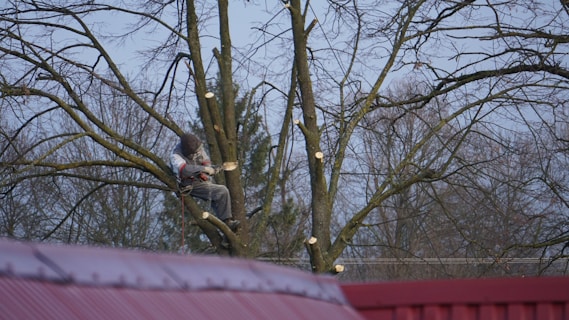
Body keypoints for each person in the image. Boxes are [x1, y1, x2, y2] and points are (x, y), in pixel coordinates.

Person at [170, 133, 240, 231]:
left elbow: (205, 159)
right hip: (187, 184)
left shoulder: (197, 147)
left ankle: (226, 224)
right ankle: (226, 224)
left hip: (198, 179)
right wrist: (203, 169)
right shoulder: (176, 156)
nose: (197, 152)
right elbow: (184, 170)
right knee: (222, 191)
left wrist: (207, 170)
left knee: (220, 194)